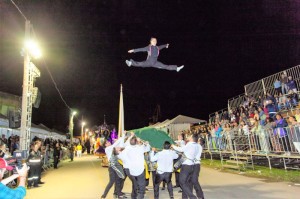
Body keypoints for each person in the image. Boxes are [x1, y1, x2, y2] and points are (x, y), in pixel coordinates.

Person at [118, 133, 150, 199]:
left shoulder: (127, 148)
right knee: (141, 188)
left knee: (135, 184)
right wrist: (145, 142)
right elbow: (148, 148)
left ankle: (134, 196)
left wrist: (126, 161)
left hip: (131, 171)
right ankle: (138, 195)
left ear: (129, 142)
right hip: (140, 170)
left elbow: (120, 154)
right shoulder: (140, 147)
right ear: (136, 142)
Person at [172, 134, 198, 199]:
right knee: (188, 182)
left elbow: (181, 149)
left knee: (182, 182)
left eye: (189, 136)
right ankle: (184, 197)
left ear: (192, 138)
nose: (188, 136)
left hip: (186, 165)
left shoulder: (189, 144)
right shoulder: (195, 145)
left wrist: (173, 146)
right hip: (192, 165)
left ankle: (192, 197)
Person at [101, 134, 126, 199]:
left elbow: (120, 146)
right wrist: (122, 137)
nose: (109, 142)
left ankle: (119, 194)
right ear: (105, 145)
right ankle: (104, 195)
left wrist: (120, 139)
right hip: (112, 167)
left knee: (118, 180)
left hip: (116, 166)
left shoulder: (111, 148)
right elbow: (115, 145)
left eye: (108, 141)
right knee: (111, 182)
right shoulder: (108, 149)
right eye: (107, 142)